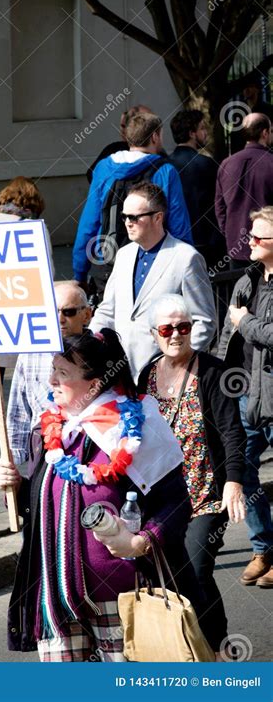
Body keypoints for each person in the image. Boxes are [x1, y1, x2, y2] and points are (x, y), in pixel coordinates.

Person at [0, 329, 196, 662]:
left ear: (94, 383)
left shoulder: (136, 426)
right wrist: (11, 484)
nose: (51, 380)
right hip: (55, 599)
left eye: (62, 372)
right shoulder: (50, 430)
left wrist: (142, 541)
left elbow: (176, 502)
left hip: (122, 598)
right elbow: (31, 508)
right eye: (53, 370)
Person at [138, 293, 246, 657]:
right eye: (168, 328)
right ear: (155, 334)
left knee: (197, 568)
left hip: (205, 495)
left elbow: (232, 431)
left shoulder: (211, 372)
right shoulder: (147, 375)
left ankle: (218, 647)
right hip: (163, 500)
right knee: (170, 579)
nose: (176, 335)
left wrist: (233, 480)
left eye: (183, 327)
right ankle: (183, 648)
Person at [90, 182, 215, 380]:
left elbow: (204, 321)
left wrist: (177, 363)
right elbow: (108, 310)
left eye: (134, 217)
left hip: (167, 378)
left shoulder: (186, 257)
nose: (127, 223)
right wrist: (91, 342)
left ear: (158, 217)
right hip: (121, 374)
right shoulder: (123, 255)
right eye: (124, 216)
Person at [0, 177, 54, 462]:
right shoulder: (32, 227)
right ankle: (35, 440)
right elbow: (46, 271)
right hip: (24, 312)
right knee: (32, 376)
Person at [73, 112, 192, 299]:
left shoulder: (104, 168)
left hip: (106, 263)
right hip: (152, 262)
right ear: (154, 136)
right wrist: (186, 262)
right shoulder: (165, 171)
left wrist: (79, 272)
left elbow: (89, 223)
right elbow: (178, 223)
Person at [217, 206, 273, 588]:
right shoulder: (247, 279)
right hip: (245, 394)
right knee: (242, 472)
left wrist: (245, 322)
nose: (249, 241)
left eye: (258, 236)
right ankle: (264, 547)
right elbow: (227, 335)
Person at [7, 281, 92, 465]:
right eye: (52, 312)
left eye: (68, 312)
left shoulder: (100, 353)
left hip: (88, 455)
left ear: (86, 315)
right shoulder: (29, 354)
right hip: (42, 454)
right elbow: (18, 414)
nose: (60, 319)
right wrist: (11, 462)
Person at [215, 113, 273, 269]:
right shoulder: (270, 162)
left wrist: (229, 232)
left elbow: (220, 207)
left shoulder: (227, 164)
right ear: (265, 133)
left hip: (236, 244)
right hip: (268, 246)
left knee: (240, 291)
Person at [169, 110, 224, 268]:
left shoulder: (164, 165)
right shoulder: (207, 164)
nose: (206, 132)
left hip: (174, 240)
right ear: (192, 133)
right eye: (202, 128)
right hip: (207, 242)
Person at [86, 104, 152, 184]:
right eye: (122, 126)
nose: (124, 130)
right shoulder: (113, 149)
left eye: (128, 126)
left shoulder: (155, 152)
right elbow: (92, 174)